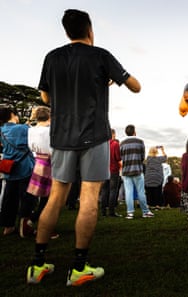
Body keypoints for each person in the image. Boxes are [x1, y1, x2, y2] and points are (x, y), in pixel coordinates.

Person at [27, 9, 141, 286]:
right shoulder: (101, 55)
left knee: (55, 198)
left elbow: (45, 95)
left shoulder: (52, 57)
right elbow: (135, 86)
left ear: (66, 31)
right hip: (95, 135)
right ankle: (78, 268)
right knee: (89, 198)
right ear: (90, 29)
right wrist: (109, 79)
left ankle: (38, 265)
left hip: (61, 136)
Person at [0, 107, 35, 236]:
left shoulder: (1, 130)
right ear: (12, 115)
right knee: (27, 198)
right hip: (25, 166)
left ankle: (8, 226)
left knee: (9, 199)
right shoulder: (23, 128)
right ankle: (24, 225)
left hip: (9, 168)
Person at [25, 106, 59, 239]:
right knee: (50, 199)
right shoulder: (50, 131)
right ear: (49, 117)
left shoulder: (31, 130)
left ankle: (34, 221)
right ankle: (40, 224)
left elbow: (30, 147)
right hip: (50, 163)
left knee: (44, 198)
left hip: (38, 161)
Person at [120, 125, 154, 219]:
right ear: (134, 131)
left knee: (128, 192)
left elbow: (121, 157)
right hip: (138, 170)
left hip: (126, 170)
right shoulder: (140, 142)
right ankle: (145, 212)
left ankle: (130, 213)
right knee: (141, 192)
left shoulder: (122, 143)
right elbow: (142, 157)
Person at [99, 128, 122, 217]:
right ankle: (111, 211)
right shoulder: (115, 144)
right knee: (113, 190)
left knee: (104, 190)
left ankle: (103, 211)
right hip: (113, 170)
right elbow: (118, 158)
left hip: (104, 170)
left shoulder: (101, 145)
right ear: (113, 134)